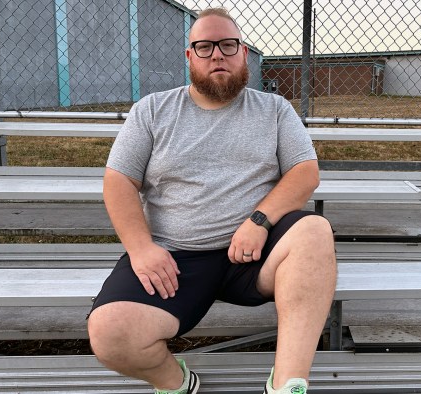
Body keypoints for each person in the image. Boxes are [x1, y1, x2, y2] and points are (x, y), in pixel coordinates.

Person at [87, 7, 337, 394]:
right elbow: (118, 182)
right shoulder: (152, 111)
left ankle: (288, 384)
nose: (217, 54)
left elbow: (305, 173)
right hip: (177, 258)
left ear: (244, 52)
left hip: (256, 251)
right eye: (204, 47)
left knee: (314, 230)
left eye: (227, 45)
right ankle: (177, 383)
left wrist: (259, 222)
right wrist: (141, 249)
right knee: (110, 334)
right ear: (189, 57)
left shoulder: (274, 109)